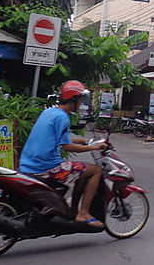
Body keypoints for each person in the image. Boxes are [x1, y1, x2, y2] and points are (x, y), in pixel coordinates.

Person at [18, 80, 109, 228]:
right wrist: (94, 148)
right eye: (79, 100)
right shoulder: (62, 117)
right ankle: (83, 213)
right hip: (47, 167)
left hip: (29, 164)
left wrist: (84, 141)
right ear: (73, 99)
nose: (80, 104)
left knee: (83, 171)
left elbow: (59, 137)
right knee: (96, 170)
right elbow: (66, 146)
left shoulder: (49, 112)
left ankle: (73, 210)